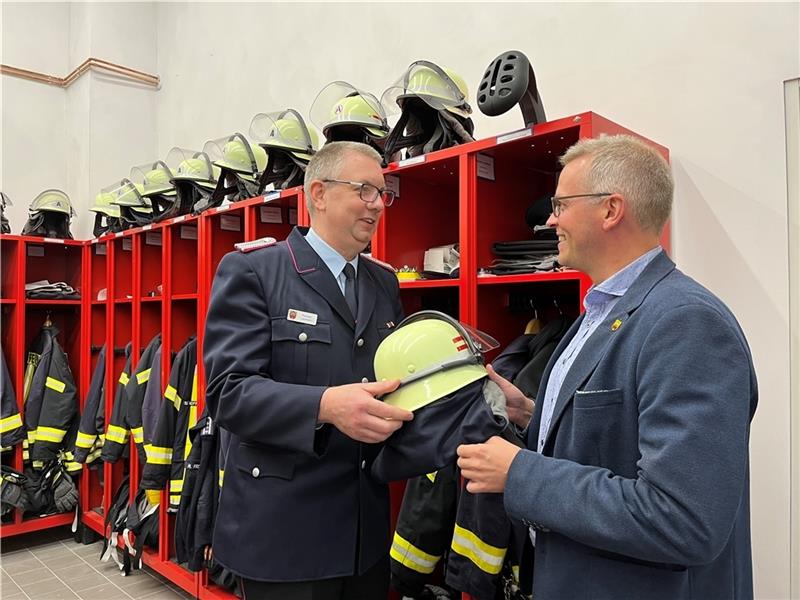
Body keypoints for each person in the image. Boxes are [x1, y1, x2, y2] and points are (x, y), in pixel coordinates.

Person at [457, 135, 757, 599]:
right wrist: (531, 413)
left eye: (560, 204)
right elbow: (619, 435)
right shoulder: (597, 313)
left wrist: (520, 473)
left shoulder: (687, 323)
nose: (550, 219)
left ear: (611, 210)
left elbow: (683, 518)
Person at [204, 141, 414, 599]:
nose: (377, 205)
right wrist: (324, 406)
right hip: (285, 538)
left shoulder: (383, 282)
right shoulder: (256, 271)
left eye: (382, 193)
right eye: (364, 190)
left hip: (364, 536)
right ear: (318, 193)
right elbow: (227, 393)